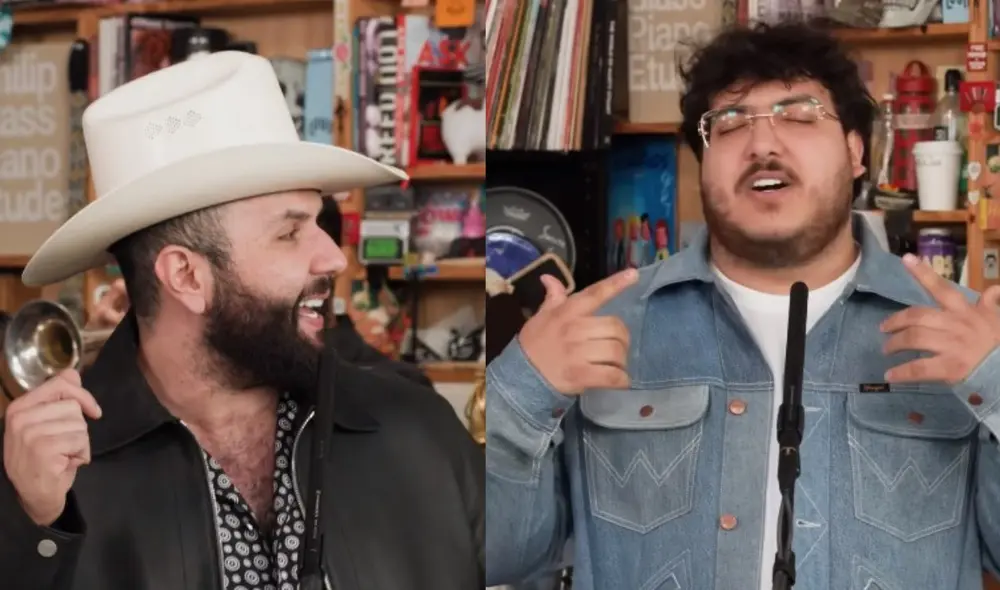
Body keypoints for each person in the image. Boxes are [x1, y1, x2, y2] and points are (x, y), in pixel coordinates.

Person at [485, 22, 1000, 590]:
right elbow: (501, 557)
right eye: (728, 124)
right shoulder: (597, 330)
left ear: (856, 152)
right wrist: (521, 394)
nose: (762, 144)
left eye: (799, 115)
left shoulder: (965, 335)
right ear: (700, 162)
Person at [0, 51, 483, 590]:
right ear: (186, 275)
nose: (332, 259)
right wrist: (29, 530)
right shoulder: (39, 483)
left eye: (318, 223)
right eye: (289, 232)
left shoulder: (418, 431)